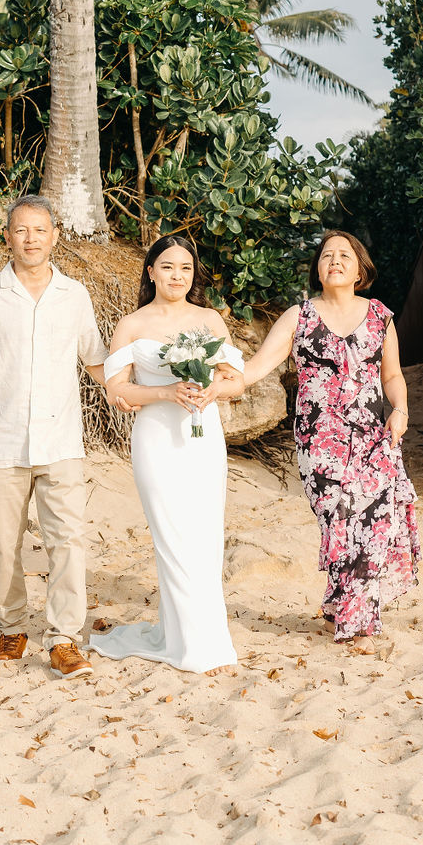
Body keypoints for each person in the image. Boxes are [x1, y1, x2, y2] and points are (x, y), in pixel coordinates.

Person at [0, 194, 108, 679]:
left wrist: (136, 393)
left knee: (68, 542)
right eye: (21, 230)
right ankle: (12, 627)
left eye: (40, 230)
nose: (31, 239)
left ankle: (63, 639)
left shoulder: (75, 295)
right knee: (1, 544)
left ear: (55, 236)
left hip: (60, 443)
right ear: (8, 237)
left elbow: (97, 363)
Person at [237, 230, 419, 650]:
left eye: (344, 255)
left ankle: (352, 615)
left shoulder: (380, 316)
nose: (334, 260)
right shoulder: (298, 317)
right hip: (320, 441)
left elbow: (391, 375)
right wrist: (216, 381)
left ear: (360, 268)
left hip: (375, 435)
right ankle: (349, 605)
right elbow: (258, 366)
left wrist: (401, 410)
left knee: (372, 522)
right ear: (318, 268)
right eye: (326, 255)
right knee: (340, 520)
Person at [88, 234, 245, 675]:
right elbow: (117, 388)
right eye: (168, 266)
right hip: (156, 437)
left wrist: (213, 389)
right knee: (171, 536)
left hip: (202, 435)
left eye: (186, 268)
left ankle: (205, 636)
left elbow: (236, 378)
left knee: (205, 533)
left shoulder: (210, 319)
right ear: (151, 270)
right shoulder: (132, 325)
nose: (178, 276)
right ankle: (186, 642)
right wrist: (166, 392)